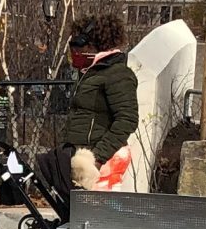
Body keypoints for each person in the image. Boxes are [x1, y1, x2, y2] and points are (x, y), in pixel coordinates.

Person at [44, 16, 140, 195]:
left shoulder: (117, 74)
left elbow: (127, 119)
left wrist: (96, 158)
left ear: (90, 44)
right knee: (81, 211)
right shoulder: (91, 73)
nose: (74, 51)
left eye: (76, 44)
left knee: (95, 213)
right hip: (84, 154)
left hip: (101, 157)